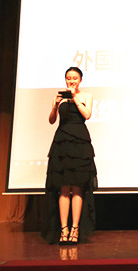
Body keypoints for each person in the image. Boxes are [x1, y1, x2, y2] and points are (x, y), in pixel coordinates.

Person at [43, 66, 97, 245]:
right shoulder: (60, 98)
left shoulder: (86, 96)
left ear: (80, 80)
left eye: (74, 78)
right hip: (62, 142)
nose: (71, 80)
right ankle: (64, 229)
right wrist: (54, 105)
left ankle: (75, 229)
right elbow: (52, 120)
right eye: (68, 78)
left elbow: (87, 115)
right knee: (64, 188)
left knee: (78, 187)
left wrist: (75, 97)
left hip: (79, 143)